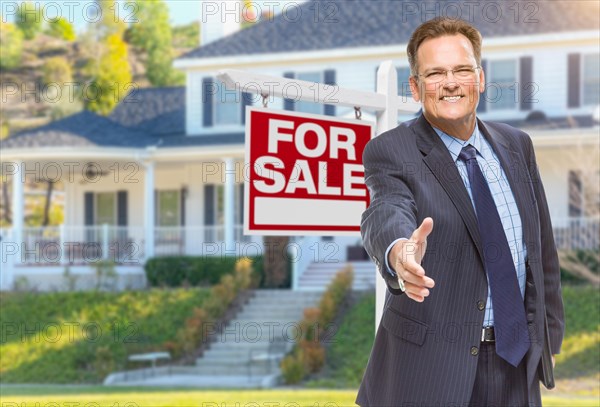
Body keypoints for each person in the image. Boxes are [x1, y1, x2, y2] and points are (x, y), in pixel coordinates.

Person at [356, 17, 564, 407]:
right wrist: (399, 253)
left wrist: (548, 336)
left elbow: (540, 249)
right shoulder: (391, 150)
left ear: (480, 79)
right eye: (435, 73)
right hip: (431, 372)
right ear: (416, 88)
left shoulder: (517, 145)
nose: (450, 82)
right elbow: (385, 210)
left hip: (516, 363)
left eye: (462, 70)